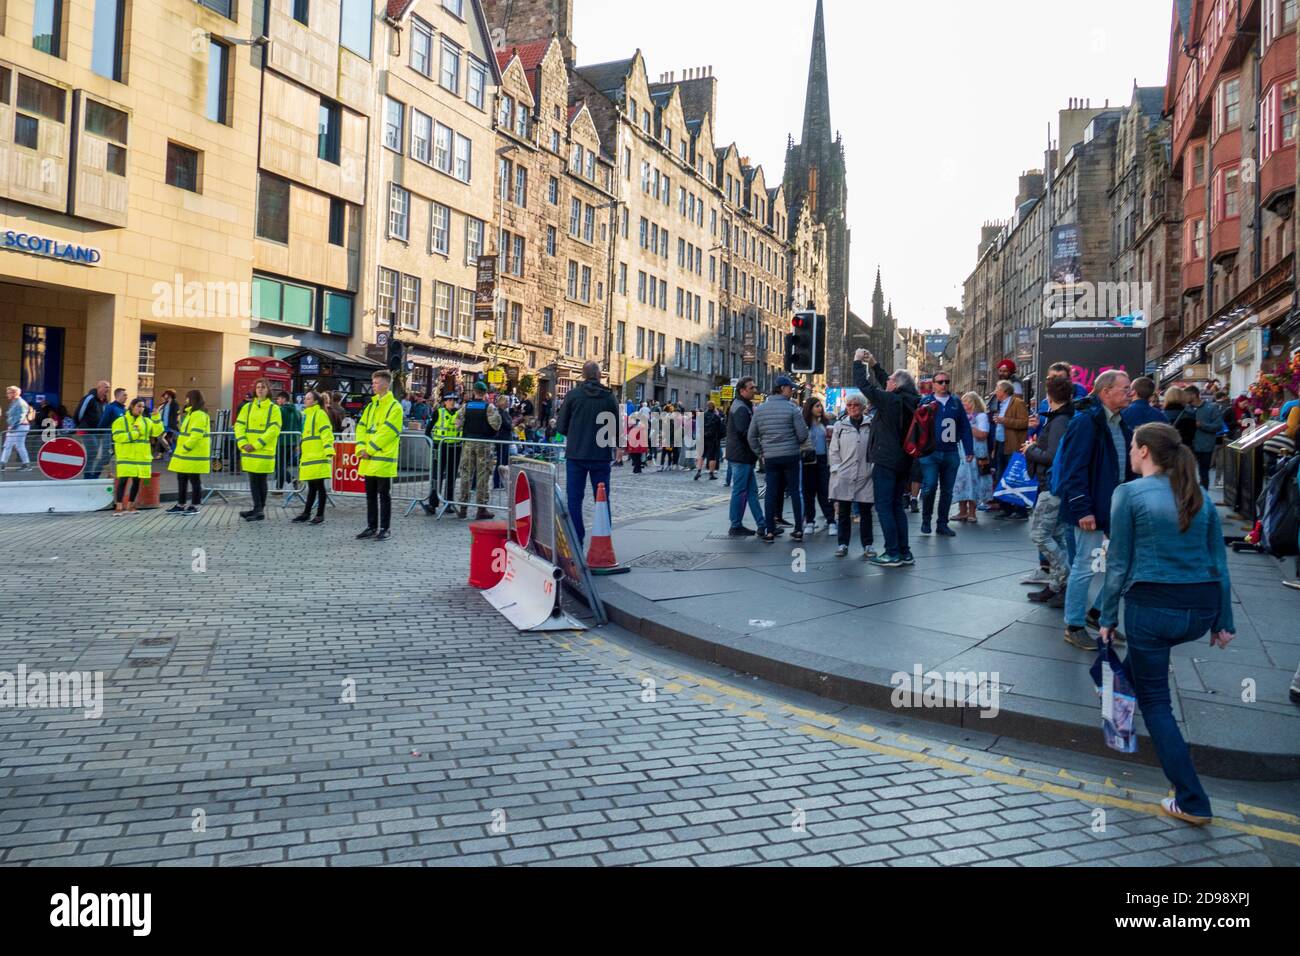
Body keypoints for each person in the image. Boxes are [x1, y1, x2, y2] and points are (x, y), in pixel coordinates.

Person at [1096, 422, 1235, 826]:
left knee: (1157, 704)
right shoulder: (1201, 495)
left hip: (1153, 610)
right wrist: (1223, 622)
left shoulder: (1129, 493)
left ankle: (1192, 799)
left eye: (1133, 446)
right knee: (1136, 676)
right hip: (1200, 610)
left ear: (1142, 451)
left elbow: (1118, 563)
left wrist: (1105, 617)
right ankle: (1117, 719)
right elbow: (1220, 564)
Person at [1056, 370, 1134, 649]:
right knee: (1085, 566)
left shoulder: (1121, 423)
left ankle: (1098, 613)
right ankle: (1074, 625)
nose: (1129, 393)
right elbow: (1073, 470)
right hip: (1091, 509)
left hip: (1118, 507)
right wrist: (1082, 509)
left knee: (1126, 565)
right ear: (1105, 392)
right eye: (1124, 388)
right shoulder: (1086, 423)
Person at [853, 349, 920, 567]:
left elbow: (865, 387)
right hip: (903, 460)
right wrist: (874, 364)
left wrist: (858, 363)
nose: (886, 381)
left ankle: (891, 552)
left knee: (883, 506)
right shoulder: (909, 400)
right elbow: (887, 382)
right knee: (896, 506)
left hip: (886, 459)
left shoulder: (890, 401)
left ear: (896, 385)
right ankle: (904, 552)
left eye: (890, 380)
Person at [1022, 376, 1076, 606]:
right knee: (1055, 535)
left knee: (1039, 534)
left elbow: (1052, 457)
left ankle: (1065, 576)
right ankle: (1057, 585)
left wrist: (1030, 449)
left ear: (1049, 397)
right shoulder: (1061, 417)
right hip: (1055, 484)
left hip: (1052, 486)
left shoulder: (1060, 420)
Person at [557, 361, 621, 543]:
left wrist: (576, 431)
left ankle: (577, 539)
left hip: (576, 454)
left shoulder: (573, 396)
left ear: (583, 375)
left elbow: (561, 426)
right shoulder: (609, 397)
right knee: (602, 499)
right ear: (599, 375)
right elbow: (616, 428)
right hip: (600, 455)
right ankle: (604, 539)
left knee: (574, 500)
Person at [748, 376, 809, 543]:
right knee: (796, 492)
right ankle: (798, 530)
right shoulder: (792, 409)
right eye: (790, 388)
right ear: (782, 388)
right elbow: (803, 435)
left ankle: (769, 531)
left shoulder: (760, 409)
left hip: (771, 457)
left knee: (771, 493)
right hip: (790, 456)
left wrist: (761, 453)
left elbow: (751, 436)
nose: (792, 391)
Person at [917, 370, 974, 537]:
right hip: (930, 452)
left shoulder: (956, 402)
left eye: (946, 382)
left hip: (950, 451)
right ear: (933, 384)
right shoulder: (926, 402)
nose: (944, 385)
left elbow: (964, 426)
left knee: (947, 490)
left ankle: (942, 523)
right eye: (940, 382)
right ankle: (926, 519)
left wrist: (969, 449)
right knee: (930, 486)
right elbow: (917, 426)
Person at [355, 370, 404, 541]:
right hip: (368, 459)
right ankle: (371, 526)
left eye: (375, 382)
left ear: (385, 384)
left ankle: (385, 528)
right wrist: (360, 448)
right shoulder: (371, 406)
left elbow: (388, 432)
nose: (372, 385)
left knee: (384, 495)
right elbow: (361, 427)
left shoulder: (395, 407)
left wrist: (368, 450)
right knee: (370, 495)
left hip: (382, 459)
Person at [828, 392, 876, 558]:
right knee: (843, 512)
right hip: (844, 473)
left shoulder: (871, 424)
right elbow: (834, 450)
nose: (852, 408)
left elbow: (876, 447)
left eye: (856, 405)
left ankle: (868, 545)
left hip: (865, 473)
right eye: (849, 405)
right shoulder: (840, 426)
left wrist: (873, 467)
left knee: (865, 512)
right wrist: (836, 469)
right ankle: (843, 544)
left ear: (863, 407)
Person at [234, 378, 282, 522]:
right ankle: (257, 508)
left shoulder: (274, 409)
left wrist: (256, 444)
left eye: (263, 387)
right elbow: (239, 425)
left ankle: (259, 509)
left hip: (263, 450)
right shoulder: (247, 407)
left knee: (260, 481)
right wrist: (243, 443)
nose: (260, 389)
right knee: (254, 480)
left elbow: (273, 429)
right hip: (249, 450)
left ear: (268, 390)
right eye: (258, 387)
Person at [455, 381, 503, 520]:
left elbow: (457, 423)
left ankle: (463, 507)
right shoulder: (489, 407)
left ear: (474, 392)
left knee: (466, 474)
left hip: (468, 443)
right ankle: (481, 509)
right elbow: (496, 425)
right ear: (485, 393)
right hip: (484, 443)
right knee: (483, 475)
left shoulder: (466, 406)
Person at [725, 378, 765, 537]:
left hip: (744, 456)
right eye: (751, 387)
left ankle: (762, 524)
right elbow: (746, 433)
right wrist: (759, 448)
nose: (754, 390)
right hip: (741, 456)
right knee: (740, 491)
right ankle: (735, 525)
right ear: (742, 390)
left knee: (751, 492)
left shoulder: (743, 405)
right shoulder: (741, 408)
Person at [111, 398, 165, 514]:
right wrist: (134, 434)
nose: (141, 409)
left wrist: (156, 418)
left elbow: (156, 432)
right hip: (126, 457)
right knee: (123, 480)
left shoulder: (146, 421)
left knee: (136, 481)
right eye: (138, 406)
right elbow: (117, 437)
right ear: (132, 406)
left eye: (143, 407)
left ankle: (131, 505)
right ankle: (119, 506)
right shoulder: (120, 421)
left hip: (141, 458)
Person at [292, 390, 335, 525]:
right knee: (312, 486)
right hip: (309, 455)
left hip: (318, 455)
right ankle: (307, 513)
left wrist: (329, 450)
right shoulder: (307, 415)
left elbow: (326, 432)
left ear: (315, 401)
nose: (305, 400)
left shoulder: (320, 414)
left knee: (319, 486)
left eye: (308, 398)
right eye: (305, 398)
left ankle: (319, 514)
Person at [166, 389, 210, 515]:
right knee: (182, 479)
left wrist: (186, 447)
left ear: (192, 399)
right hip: (186, 455)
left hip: (192, 454)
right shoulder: (191, 414)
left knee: (194, 480)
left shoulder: (198, 415)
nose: (185, 400)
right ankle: (181, 504)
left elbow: (196, 435)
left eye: (187, 398)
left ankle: (195, 505)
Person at [990, 380, 1029, 520]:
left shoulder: (1017, 403)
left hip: (1012, 445)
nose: (995, 391)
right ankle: (1006, 508)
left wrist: (1004, 420)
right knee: (1002, 477)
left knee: (1014, 478)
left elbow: (1025, 422)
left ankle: (1021, 511)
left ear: (1005, 391)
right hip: (1001, 444)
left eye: (997, 389)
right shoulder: (1000, 404)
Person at [952, 393, 991, 524]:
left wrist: (967, 427)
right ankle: (962, 511)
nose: (963, 405)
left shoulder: (981, 417)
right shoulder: (960, 417)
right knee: (961, 480)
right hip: (960, 453)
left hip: (975, 453)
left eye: (966, 402)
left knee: (973, 481)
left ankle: (972, 512)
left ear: (973, 403)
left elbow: (983, 434)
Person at [801, 396, 836, 534]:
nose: (819, 409)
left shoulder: (825, 424)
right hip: (808, 460)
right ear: (809, 408)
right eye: (816, 406)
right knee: (808, 491)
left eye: (820, 406)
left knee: (825, 491)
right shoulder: (804, 424)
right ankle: (810, 520)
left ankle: (831, 520)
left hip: (823, 459)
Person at [424, 391, 460, 515]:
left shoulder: (459, 414)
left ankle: (449, 503)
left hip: (455, 448)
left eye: (454, 400)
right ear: (445, 402)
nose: (452, 402)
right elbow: (427, 431)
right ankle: (432, 504)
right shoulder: (438, 412)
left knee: (451, 477)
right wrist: (432, 446)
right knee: (436, 476)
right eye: (449, 400)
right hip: (440, 448)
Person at [1186, 386, 1224, 489]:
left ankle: (1204, 496)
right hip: (1189, 446)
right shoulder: (1186, 409)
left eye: (1186, 395)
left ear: (1193, 395)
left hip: (1205, 446)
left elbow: (1218, 426)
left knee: (1204, 473)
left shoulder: (1210, 408)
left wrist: (1202, 425)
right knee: (1187, 473)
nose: (1184, 398)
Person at [274, 391, 303, 491]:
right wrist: (298, 443)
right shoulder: (297, 412)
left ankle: (293, 480)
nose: (277, 401)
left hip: (281, 441)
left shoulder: (280, 410)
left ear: (283, 399)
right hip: (293, 442)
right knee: (283, 465)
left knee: (277, 465)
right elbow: (300, 428)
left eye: (278, 399)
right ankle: (279, 489)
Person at [2, 386, 32, 472]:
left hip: (19, 427)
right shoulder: (15, 402)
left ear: (15, 393)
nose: (7, 394)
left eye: (9, 393)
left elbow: (20, 417)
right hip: (16, 427)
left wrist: (12, 426)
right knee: (8, 446)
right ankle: (2, 464)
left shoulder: (20, 403)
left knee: (19, 445)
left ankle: (26, 465)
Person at [695, 402, 724, 481]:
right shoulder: (716, 417)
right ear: (714, 407)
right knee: (712, 457)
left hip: (703, 438)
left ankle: (699, 471)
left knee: (702, 455)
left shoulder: (702, 416)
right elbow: (721, 429)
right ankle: (711, 473)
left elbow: (699, 427)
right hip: (713, 439)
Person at [627, 408, 649, 475]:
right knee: (635, 456)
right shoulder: (634, 425)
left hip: (637, 443)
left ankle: (636, 470)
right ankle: (637, 469)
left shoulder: (640, 425)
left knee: (636, 456)